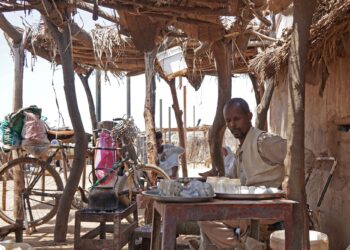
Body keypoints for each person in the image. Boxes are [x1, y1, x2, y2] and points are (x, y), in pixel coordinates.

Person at [197, 98, 287, 250]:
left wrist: (288, 184)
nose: (232, 125)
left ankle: (243, 246)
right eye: (228, 120)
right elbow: (230, 180)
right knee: (203, 216)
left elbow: (304, 156)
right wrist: (207, 181)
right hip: (248, 209)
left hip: (267, 210)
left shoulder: (262, 142)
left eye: (237, 119)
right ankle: (244, 245)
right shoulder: (241, 151)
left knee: (204, 217)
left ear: (249, 116)